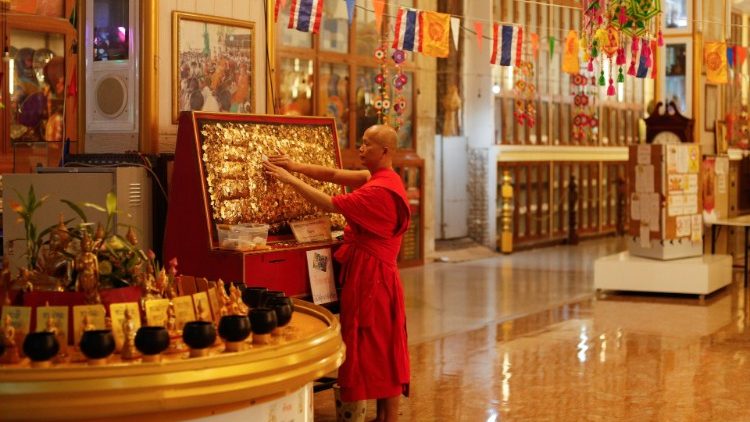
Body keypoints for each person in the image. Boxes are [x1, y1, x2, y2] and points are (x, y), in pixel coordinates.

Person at [263, 124, 410, 422]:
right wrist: (295, 165)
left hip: (373, 279)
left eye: (367, 144)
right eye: (361, 142)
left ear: (385, 151)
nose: (360, 148)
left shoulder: (379, 192)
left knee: (376, 344)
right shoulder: (380, 178)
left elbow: (330, 203)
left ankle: (388, 416)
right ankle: (384, 415)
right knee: (379, 343)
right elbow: (333, 175)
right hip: (374, 275)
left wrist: (288, 179)